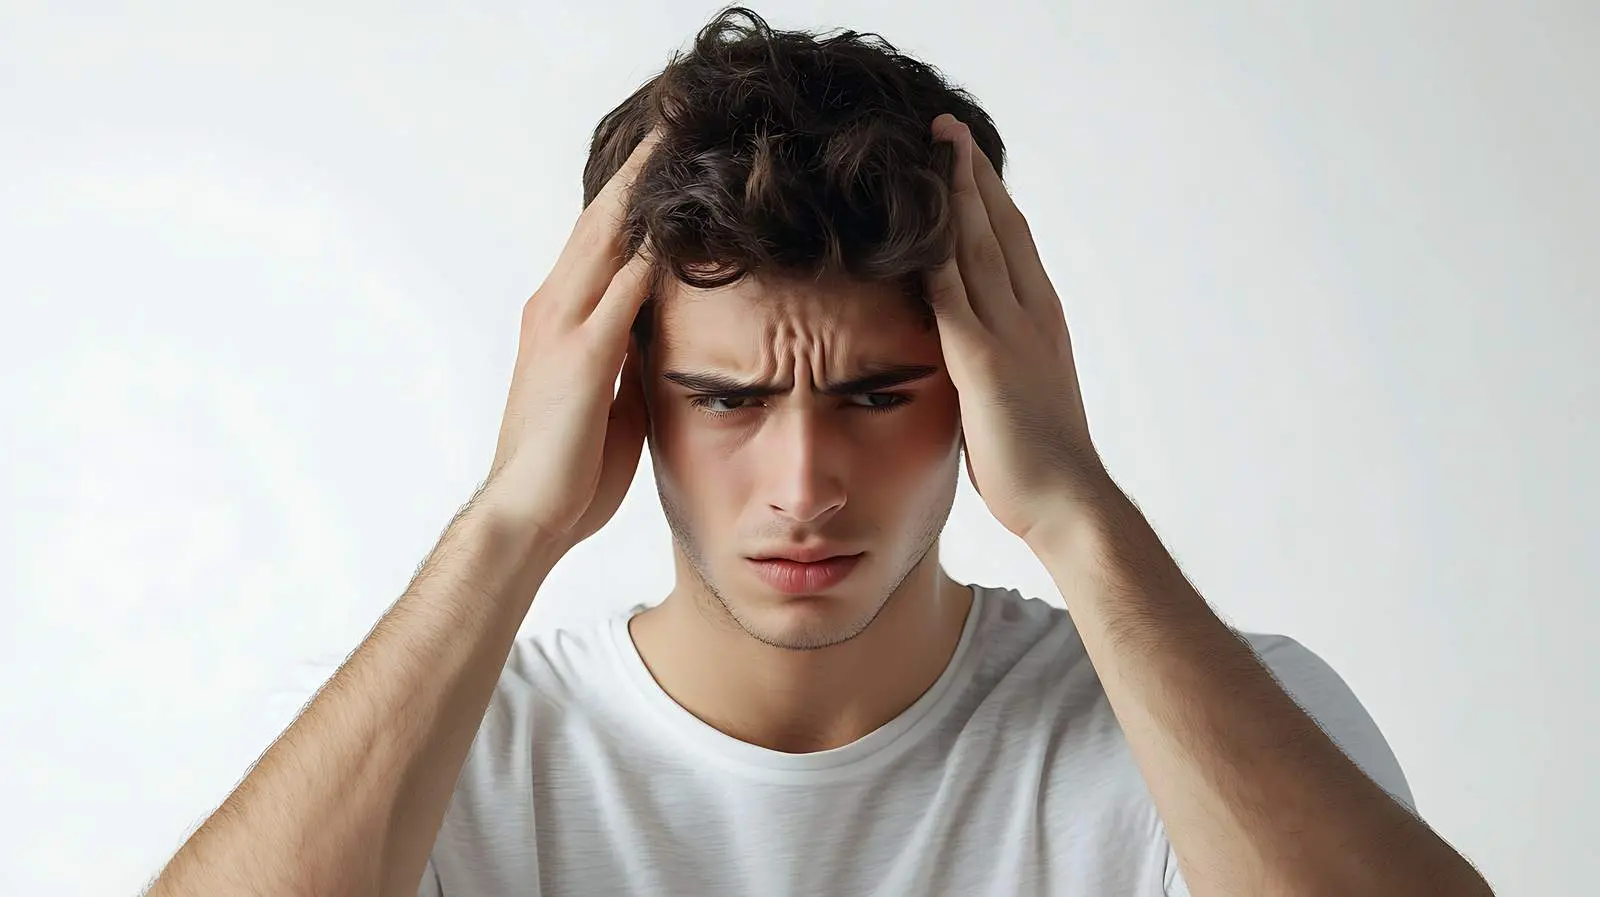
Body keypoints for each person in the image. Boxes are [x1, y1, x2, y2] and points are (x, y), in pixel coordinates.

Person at [142, 8, 1494, 897]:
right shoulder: (444, 748)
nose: (801, 488)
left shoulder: (1201, 726)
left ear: (981, 381)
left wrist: (1076, 506)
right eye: (727, 400)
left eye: (876, 394)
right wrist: (508, 522)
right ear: (622, 391)